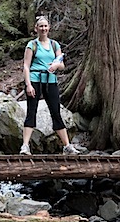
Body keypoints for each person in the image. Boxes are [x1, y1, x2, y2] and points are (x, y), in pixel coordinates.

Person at [20, 16, 79, 155]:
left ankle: (67, 146)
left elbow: (62, 64)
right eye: (41, 26)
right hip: (35, 79)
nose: (43, 29)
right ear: (36, 28)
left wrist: (56, 65)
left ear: (49, 28)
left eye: (45, 26)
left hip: (50, 81)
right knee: (31, 112)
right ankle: (25, 146)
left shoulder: (54, 45)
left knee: (55, 112)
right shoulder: (32, 45)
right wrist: (28, 85)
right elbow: (26, 66)